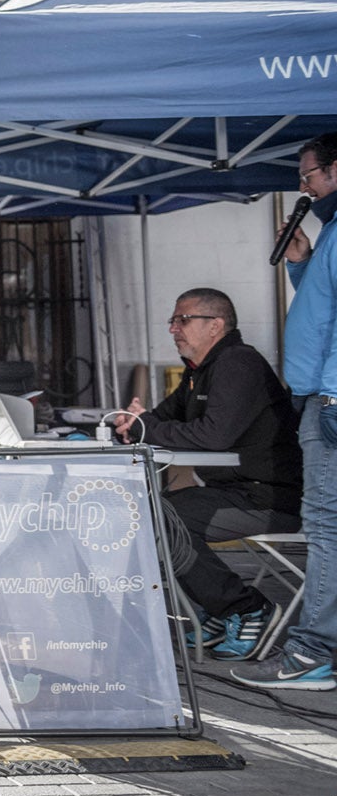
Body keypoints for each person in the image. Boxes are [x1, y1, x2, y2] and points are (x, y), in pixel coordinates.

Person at [112, 288, 301, 657]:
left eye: (183, 320)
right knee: (152, 513)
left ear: (215, 325)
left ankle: (246, 608)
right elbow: (162, 418)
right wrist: (134, 421)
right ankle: (221, 608)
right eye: (172, 320)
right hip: (233, 492)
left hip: (266, 498)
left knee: (160, 520)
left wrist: (141, 425)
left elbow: (213, 436)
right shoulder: (201, 370)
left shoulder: (237, 363)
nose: (173, 329)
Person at [238, 135, 337, 691]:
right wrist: (300, 265)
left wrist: (331, 395)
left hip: (329, 398)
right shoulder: (331, 230)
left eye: (311, 174)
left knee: (326, 528)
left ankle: (311, 654)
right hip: (320, 393)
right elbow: (324, 306)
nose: (304, 185)